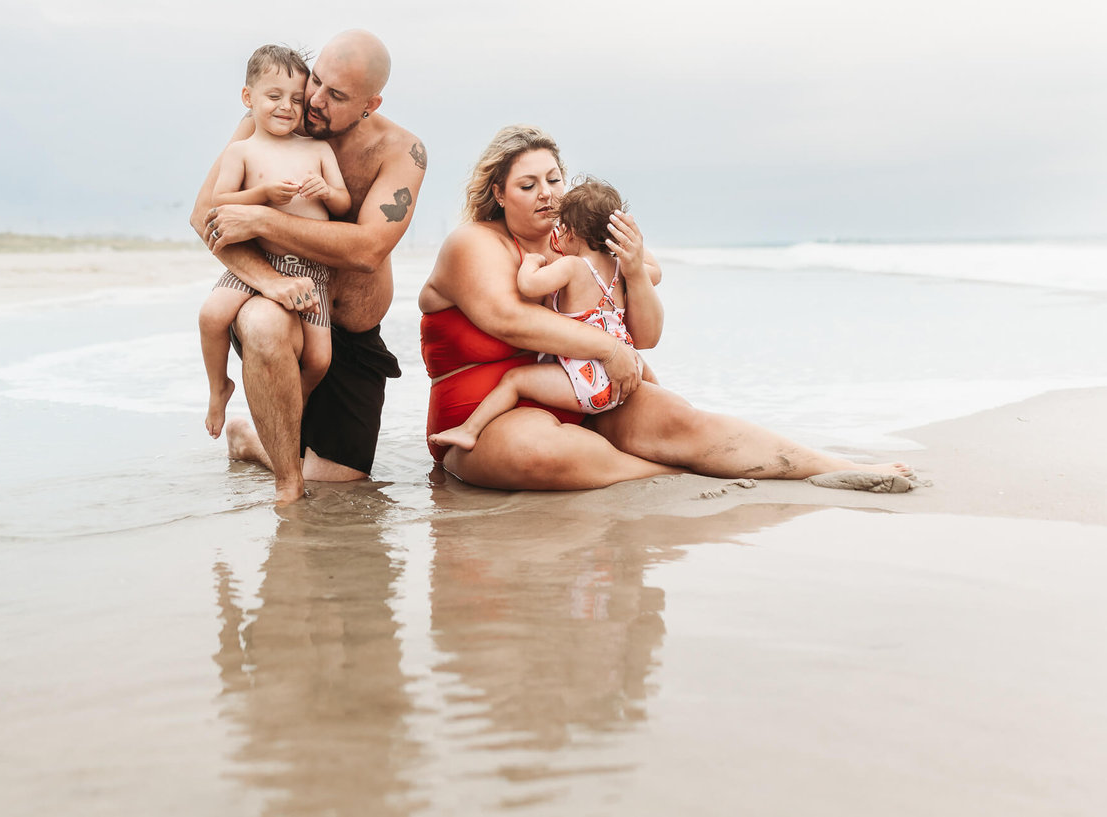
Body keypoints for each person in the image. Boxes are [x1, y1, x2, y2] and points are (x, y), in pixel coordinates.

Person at [418, 124, 917, 492]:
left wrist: (632, 266)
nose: (547, 194)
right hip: (484, 419)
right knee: (541, 454)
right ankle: (673, 474)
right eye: (528, 185)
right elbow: (510, 319)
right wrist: (609, 350)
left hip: (583, 393)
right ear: (498, 194)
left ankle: (828, 466)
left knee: (685, 422)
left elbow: (648, 316)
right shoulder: (474, 243)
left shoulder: (578, 244)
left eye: (554, 179)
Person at [191, 30, 426, 504]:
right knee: (262, 321)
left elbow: (366, 249)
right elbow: (206, 216)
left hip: (352, 335)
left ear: (370, 103)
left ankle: (254, 440)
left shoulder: (401, 151)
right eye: (315, 81)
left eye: (335, 95)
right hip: (277, 300)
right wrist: (271, 282)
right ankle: (287, 486)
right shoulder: (269, 120)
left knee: (343, 477)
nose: (313, 101)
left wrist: (262, 216)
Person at [427, 178, 661, 452]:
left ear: (572, 233)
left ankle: (470, 429)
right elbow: (654, 272)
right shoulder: (621, 269)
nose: (556, 234)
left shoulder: (571, 266)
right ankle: (663, 402)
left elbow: (529, 285)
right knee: (644, 370)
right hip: (623, 377)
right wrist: (628, 250)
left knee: (515, 381)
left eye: (560, 228)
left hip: (586, 382)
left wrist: (531, 261)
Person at [198, 44, 351, 439]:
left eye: (296, 100)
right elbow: (220, 201)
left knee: (319, 358)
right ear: (248, 98)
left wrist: (325, 191)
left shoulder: (317, 149)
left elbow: (343, 201)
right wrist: (262, 194)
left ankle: (289, 408)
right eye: (273, 96)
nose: (286, 107)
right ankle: (219, 388)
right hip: (259, 264)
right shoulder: (242, 151)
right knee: (211, 316)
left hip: (308, 270)